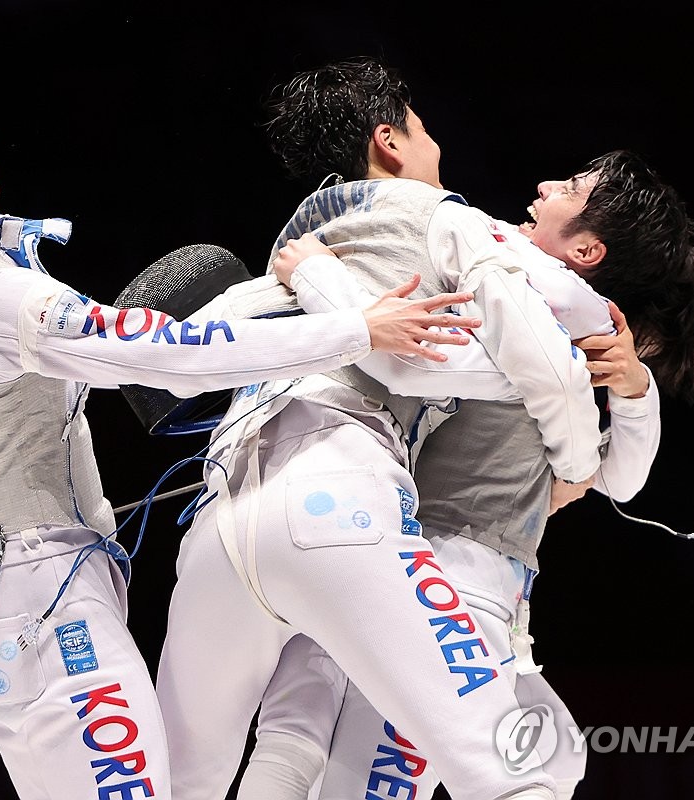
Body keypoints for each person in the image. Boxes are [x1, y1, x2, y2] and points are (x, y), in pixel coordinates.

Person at [0, 66, 480, 800]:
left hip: (1, 600)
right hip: (42, 611)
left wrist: (280, 300)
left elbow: (147, 345)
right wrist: (354, 328)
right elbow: (171, 360)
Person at [154, 58, 612, 800]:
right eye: (423, 128)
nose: (435, 145)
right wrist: (577, 464)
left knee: (182, 783)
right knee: (504, 759)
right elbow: (546, 367)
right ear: (389, 140)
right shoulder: (446, 217)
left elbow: (173, 366)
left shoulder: (295, 239)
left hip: (215, 529)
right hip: (337, 498)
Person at [246, 149, 694, 799]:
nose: (542, 184)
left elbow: (620, 481)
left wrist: (633, 386)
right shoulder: (505, 295)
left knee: (549, 759)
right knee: (309, 734)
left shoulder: (536, 315)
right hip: (420, 564)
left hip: (453, 580)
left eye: (567, 186)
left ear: (588, 250)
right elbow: (413, 358)